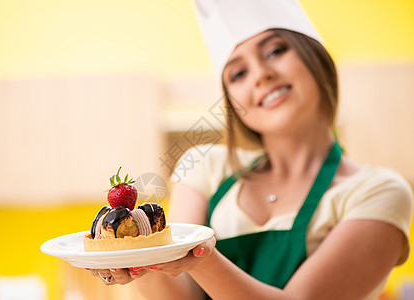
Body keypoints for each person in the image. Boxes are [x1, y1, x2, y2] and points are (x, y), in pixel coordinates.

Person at [89, 0, 413, 299]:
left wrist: (199, 257)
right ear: (232, 101)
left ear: (313, 56)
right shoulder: (206, 167)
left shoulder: (378, 191)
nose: (261, 75)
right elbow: (178, 295)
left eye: (275, 51)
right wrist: (135, 258)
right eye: (238, 73)